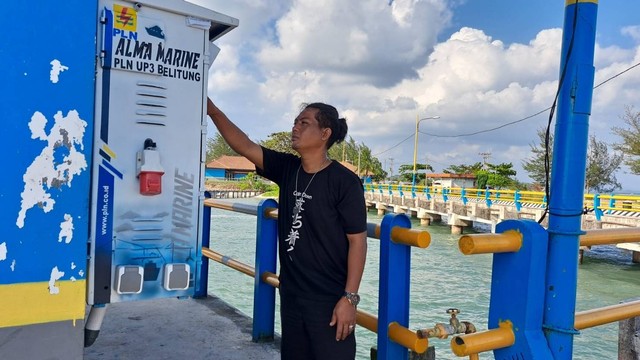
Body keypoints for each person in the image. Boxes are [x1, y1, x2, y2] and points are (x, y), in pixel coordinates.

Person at [207, 97, 367, 360]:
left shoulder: (344, 182)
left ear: (325, 134)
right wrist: (213, 111)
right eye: (295, 122)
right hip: (292, 293)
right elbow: (244, 145)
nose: (295, 127)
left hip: (329, 299)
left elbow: (358, 242)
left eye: (304, 123)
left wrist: (349, 299)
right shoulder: (288, 168)